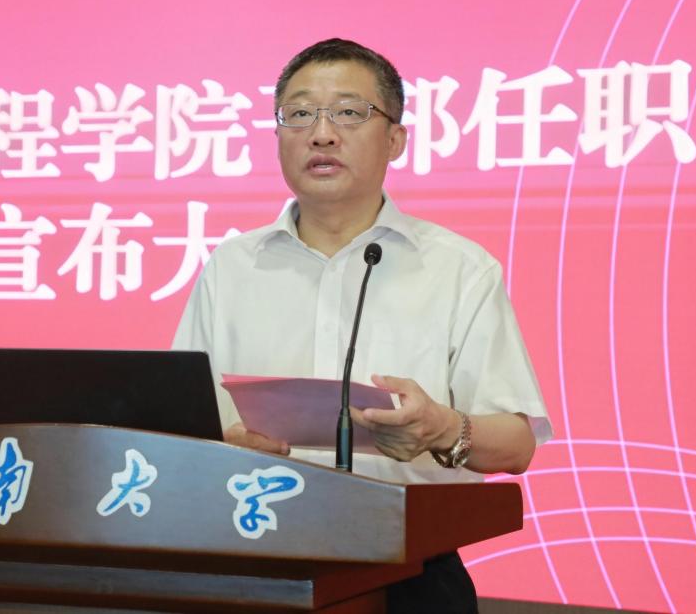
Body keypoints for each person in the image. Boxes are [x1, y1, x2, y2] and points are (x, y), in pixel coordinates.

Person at [172, 38, 552, 613]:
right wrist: (223, 446)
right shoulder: (231, 267)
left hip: (411, 577)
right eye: (300, 113)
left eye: (349, 112)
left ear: (395, 139)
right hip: (253, 563)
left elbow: (517, 446)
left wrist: (441, 427)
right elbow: (180, 427)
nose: (322, 134)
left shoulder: (458, 269)